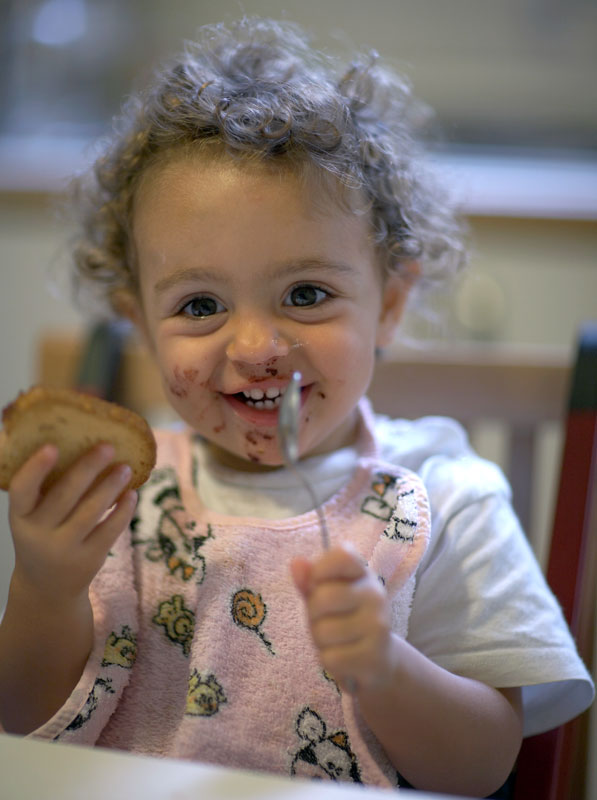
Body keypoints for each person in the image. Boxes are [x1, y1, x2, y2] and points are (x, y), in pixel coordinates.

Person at [0, 17, 593, 798]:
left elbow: (484, 767)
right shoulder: (111, 496)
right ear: (137, 322)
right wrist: (45, 586)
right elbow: (20, 727)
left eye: (306, 294)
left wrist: (386, 670)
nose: (255, 347)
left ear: (390, 302)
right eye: (200, 304)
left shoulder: (447, 500)